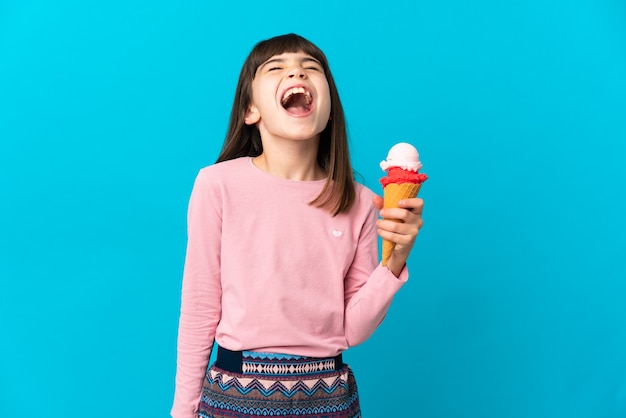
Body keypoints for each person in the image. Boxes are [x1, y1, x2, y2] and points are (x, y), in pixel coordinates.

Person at [171, 33, 425, 418]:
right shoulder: (217, 184)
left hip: (330, 400)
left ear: (328, 108)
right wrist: (182, 412)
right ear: (250, 110)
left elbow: (352, 330)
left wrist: (395, 259)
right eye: (277, 68)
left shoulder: (357, 200)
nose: (297, 73)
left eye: (311, 68)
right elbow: (199, 307)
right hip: (235, 398)